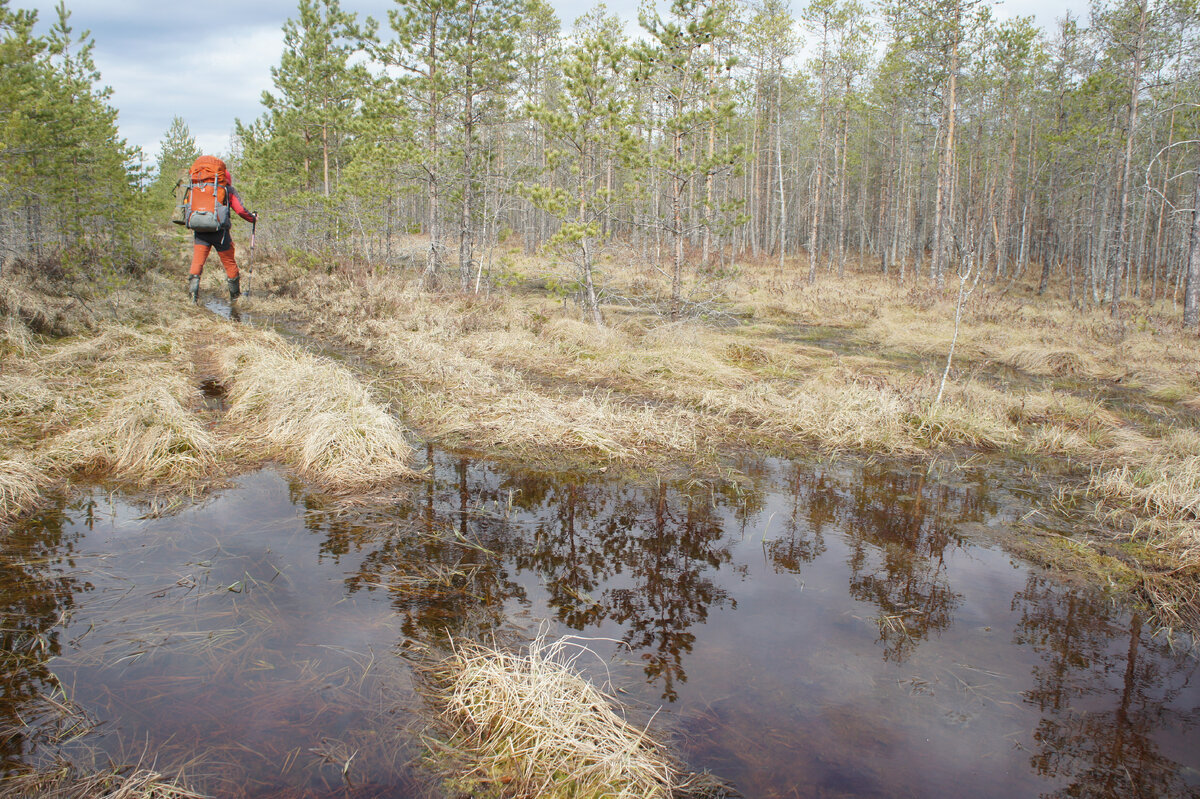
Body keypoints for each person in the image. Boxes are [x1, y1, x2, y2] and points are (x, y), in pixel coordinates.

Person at [187, 156, 257, 304]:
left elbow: (187, 206)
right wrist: (253, 218)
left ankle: (192, 298)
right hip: (221, 234)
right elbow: (240, 210)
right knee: (229, 263)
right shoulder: (227, 189)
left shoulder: (197, 188)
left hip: (200, 232)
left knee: (197, 262)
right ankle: (235, 298)